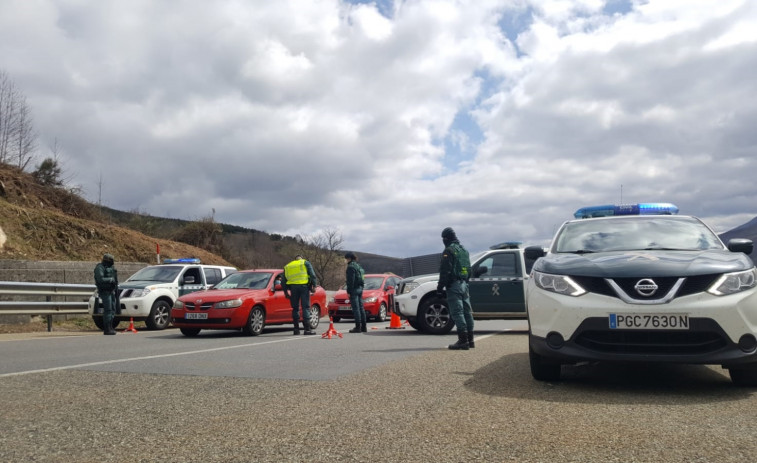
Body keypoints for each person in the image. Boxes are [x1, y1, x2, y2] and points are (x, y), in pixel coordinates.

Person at [436, 227, 474, 350]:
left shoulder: (449, 251)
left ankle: (463, 341)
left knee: (458, 313)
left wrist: (440, 287)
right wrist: (466, 282)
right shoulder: (464, 251)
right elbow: (469, 269)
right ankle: (470, 340)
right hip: (464, 285)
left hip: (454, 285)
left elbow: (445, 271)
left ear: (446, 238)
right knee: (467, 312)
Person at [282, 253, 318, 335]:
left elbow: (283, 281)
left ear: (295, 259)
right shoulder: (305, 263)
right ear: (301, 258)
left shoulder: (288, 266)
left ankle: (296, 329)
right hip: (304, 287)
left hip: (293, 288)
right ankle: (307, 329)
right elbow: (312, 275)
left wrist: (285, 292)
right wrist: (314, 285)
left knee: (295, 308)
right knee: (306, 307)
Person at [94, 253, 119, 335]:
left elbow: (115, 279)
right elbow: (100, 279)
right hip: (104, 291)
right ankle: (107, 328)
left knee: (113, 310)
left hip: (111, 291)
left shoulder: (111, 268)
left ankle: (111, 327)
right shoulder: (99, 268)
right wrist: (110, 280)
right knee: (108, 310)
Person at [344, 251, 366, 333]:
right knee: (361, 308)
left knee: (356, 308)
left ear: (349, 258)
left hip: (354, 289)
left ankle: (358, 327)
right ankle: (364, 326)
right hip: (360, 288)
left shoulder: (350, 267)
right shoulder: (358, 266)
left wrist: (349, 291)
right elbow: (362, 277)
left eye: (346, 259)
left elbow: (350, 280)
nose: (345, 260)